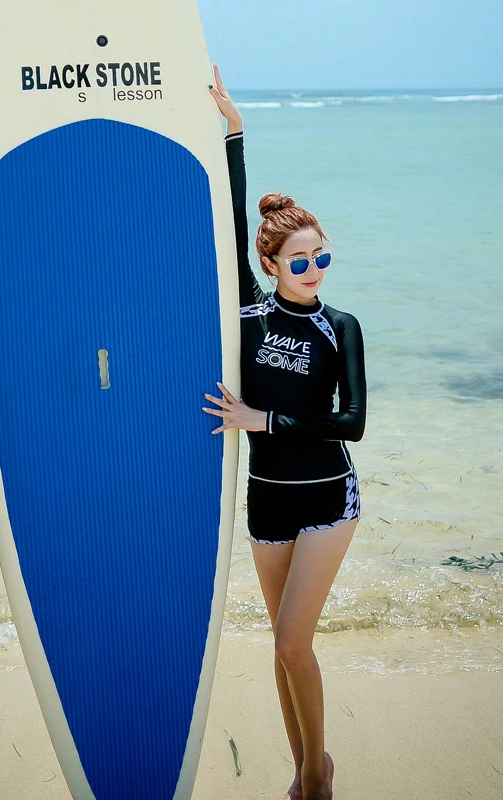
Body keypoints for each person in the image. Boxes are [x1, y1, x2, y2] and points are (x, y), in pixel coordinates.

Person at [203, 64, 367, 800]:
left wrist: (261, 419)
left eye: (322, 257)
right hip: (266, 499)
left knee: (294, 641)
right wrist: (234, 131)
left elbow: (352, 422)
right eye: (299, 261)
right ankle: (307, 770)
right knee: (282, 646)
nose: (313, 270)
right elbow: (230, 215)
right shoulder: (249, 310)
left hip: (329, 497)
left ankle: (315, 776)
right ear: (269, 264)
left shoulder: (341, 326)